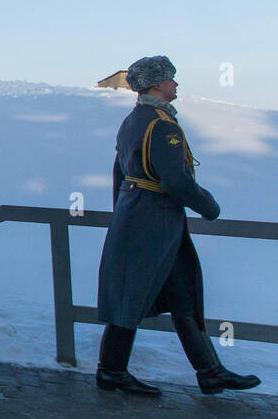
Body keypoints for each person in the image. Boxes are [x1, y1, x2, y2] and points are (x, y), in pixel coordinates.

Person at [94, 56, 261, 397]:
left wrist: (124, 214)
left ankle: (210, 373)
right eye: (171, 79)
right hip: (155, 221)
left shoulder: (132, 120)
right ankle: (110, 372)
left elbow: (120, 175)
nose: (176, 84)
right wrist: (209, 207)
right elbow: (176, 181)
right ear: (157, 85)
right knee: (131, 296)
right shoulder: (163, 126)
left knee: (182, 295)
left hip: (142, 218)